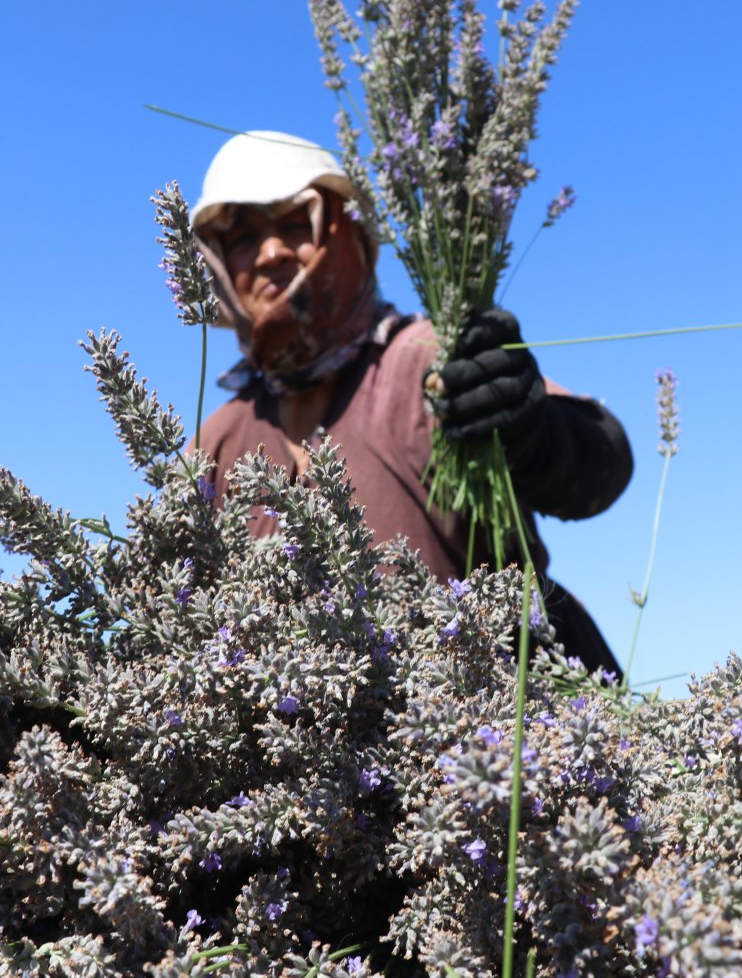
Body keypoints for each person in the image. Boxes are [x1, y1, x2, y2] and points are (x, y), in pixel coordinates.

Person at [189, 131, 632, 674]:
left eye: (292, 225)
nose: (272, 251)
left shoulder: (423, 361)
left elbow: (599, 467)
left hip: (499, 733)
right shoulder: (216, 439)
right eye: (244, 237)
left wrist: (534, 429)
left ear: (349, 237)